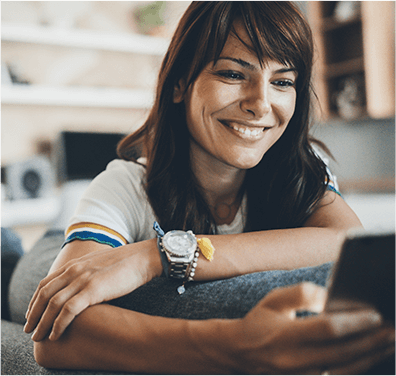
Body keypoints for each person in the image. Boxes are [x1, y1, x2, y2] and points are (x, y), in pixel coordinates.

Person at [23, 2, 394, 374]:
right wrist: (236, 347)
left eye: (282, 82)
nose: (260, 103)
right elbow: (53, 337)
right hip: (58, 244)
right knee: (27, 281)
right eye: (233, 74)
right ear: (181, 83)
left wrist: (158, 256)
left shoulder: (303, 168)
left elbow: (345, 238)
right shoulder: (127, 184)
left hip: (135, 247)